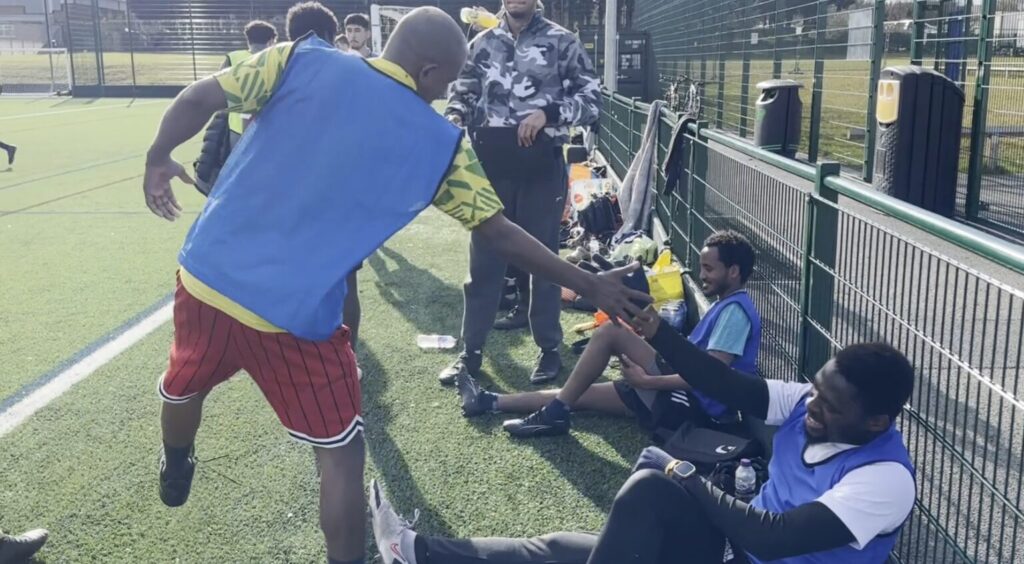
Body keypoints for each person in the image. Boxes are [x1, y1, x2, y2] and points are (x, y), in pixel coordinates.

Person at [141, 8, 649, 564]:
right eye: (449, 80)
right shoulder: (442, 144)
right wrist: (590, 284)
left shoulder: (298, 57)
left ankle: (176, 461)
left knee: (185, 383)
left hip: (207, 276)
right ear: (430, 71)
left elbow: (199, 98)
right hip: (296, 318)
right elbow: (501, 235)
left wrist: (157, 156)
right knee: (340, 455)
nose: (448, 91)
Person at [370, 340, 917, 564]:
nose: (812, 407)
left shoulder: (886, 479)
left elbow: (771, 541)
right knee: (561, 547)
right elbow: (727, 386)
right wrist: (659, 333)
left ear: (876, 421)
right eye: (815, 391)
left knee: (660, 482)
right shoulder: (808, 401)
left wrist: (683, 472)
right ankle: (413, 550)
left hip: (750, 550)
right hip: (730, 551)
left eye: (829, 405)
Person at [460, 230, 762, 439]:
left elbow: (711, 376)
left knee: (609, 333)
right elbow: (693, 362)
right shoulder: (726, 306)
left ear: (733, 271)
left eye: (709, 268)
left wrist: (648, 380)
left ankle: (552, 412)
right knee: (577, 394)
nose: (702, 275)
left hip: (696, 410)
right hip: (679, 391)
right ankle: (489, 401)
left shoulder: (736, 313)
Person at [440, 0, 602, 387]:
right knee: (484, 264)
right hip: (490, 166)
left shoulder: (563, 42)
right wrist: (454, 117)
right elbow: (461, 92)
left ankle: (548, 351)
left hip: (540, 167)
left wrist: (549, 112)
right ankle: (471, 353)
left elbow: (593, 100)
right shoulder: (481, 43)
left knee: (543, 262)